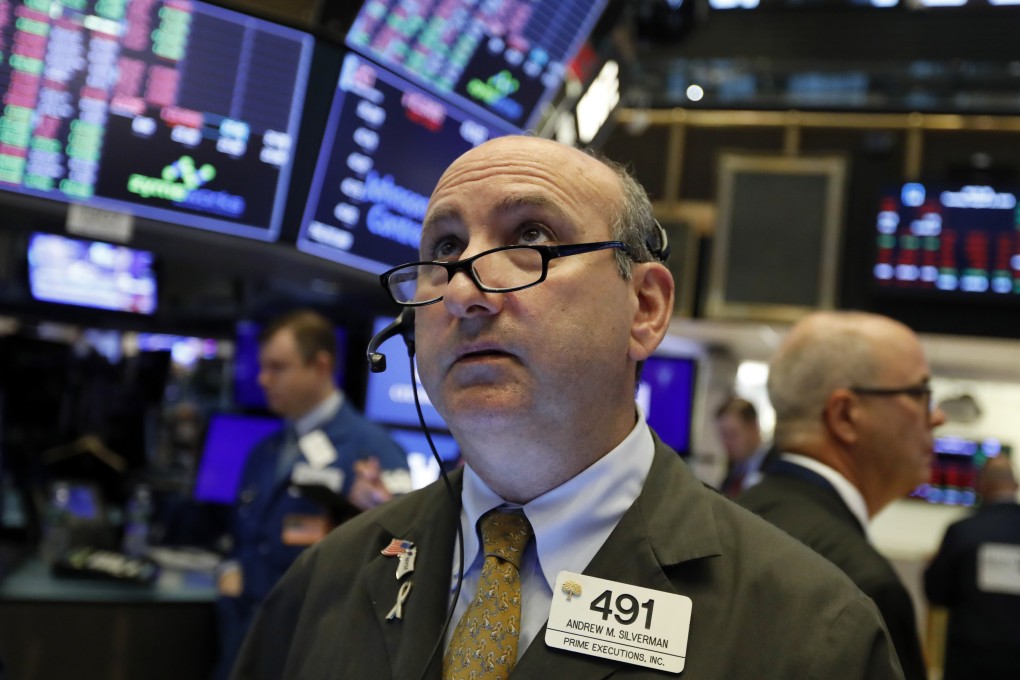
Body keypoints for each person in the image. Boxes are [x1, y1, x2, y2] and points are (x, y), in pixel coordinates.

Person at [231, 136, 904, 679]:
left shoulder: (811, 632)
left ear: (644, 308)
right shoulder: (323, 582)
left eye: (532, 239)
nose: (468, 290)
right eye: (444, 250)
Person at [738, 310, 946, 680]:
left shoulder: (728, 523)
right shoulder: (864, 586)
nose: (938, 417)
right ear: (845, 415)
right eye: (920, 394)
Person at [215, 310, 410, 678]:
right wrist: (230, 569)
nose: (263, 379)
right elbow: (241, 536)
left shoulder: (373, 450)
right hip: (244, 633)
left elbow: (405, 555)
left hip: (314, 641)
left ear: (321, 366)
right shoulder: (265, 451)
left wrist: (381, 514)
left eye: (278, 367)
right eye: (263, 367)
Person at [925, 454, 1020, 679]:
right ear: (1015, 484)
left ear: (981, 486)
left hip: (970, 663)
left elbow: (936, 594)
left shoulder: (962, 531)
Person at [713, 396, 770, 496]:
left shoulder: (775, 466)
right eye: (723, 435)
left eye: (732, 434)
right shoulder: (733, 472)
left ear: (754, 428)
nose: (727, 443)